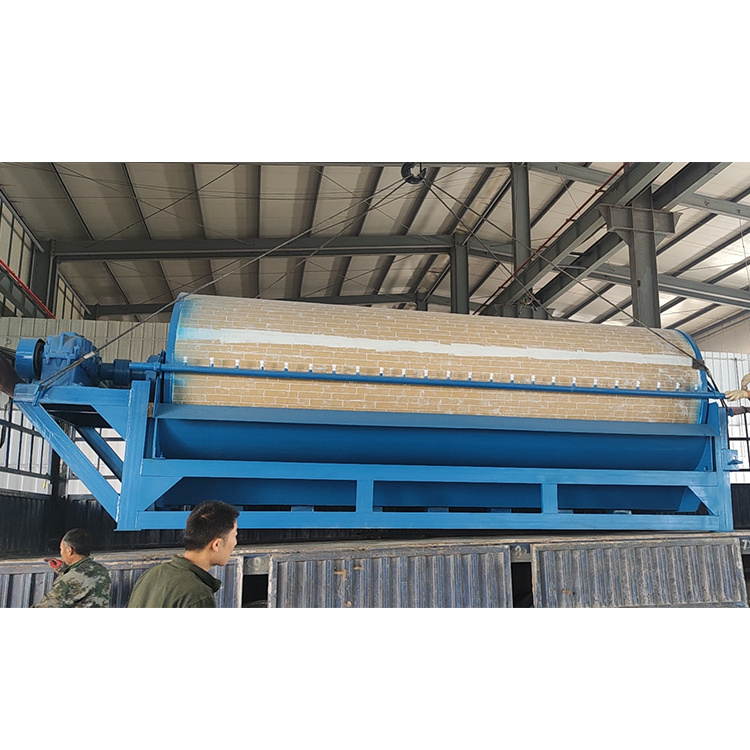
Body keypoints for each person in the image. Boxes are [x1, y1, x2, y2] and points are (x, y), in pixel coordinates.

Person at [128, 500, 239, 608]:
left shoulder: (151, 575)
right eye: (234, 535)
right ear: (216, 545)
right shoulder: (198, 595)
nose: (235, 543)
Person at [33, 528, 111, 608]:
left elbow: (48, 606)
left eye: (61, 549)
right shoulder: (102, 571)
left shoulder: (68, 580)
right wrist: (62, 569)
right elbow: (84, 577)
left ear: (69, 550)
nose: (61, 553)